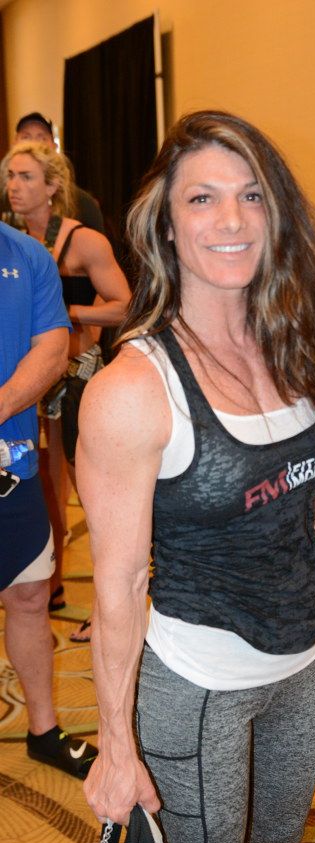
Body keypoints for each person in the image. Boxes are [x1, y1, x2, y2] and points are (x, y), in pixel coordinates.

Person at [78, 110, 315, 843]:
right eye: (202, 199)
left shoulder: (301, 346)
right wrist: (116, 745)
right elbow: (118, 585)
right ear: (166, 224)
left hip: (301, 668)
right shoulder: (132, 390)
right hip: (197, 683)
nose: (232, 220)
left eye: (251, 196)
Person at [0, 140, 130, 636]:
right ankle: (47, 583)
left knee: (92, 498)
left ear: (52, 186)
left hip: (76, 379)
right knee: (44, 491)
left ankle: (107, 605)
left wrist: (62, 314)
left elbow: (126, 305)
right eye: (10, 176)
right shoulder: (11, 240)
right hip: (28, 387)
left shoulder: (84, 240)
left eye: (26, 176)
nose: (14, 186)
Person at [0, 219, 98, 778]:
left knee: (31, 594)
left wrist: (1, 404)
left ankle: (43, 729)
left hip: (12, 464)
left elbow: (53, 347)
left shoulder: (27, 255)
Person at [0, 112, 105, 233]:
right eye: (26, 137)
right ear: (14, 144)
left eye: (42, 138)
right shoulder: (4, 197)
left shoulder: (82, 204)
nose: (33, 144)